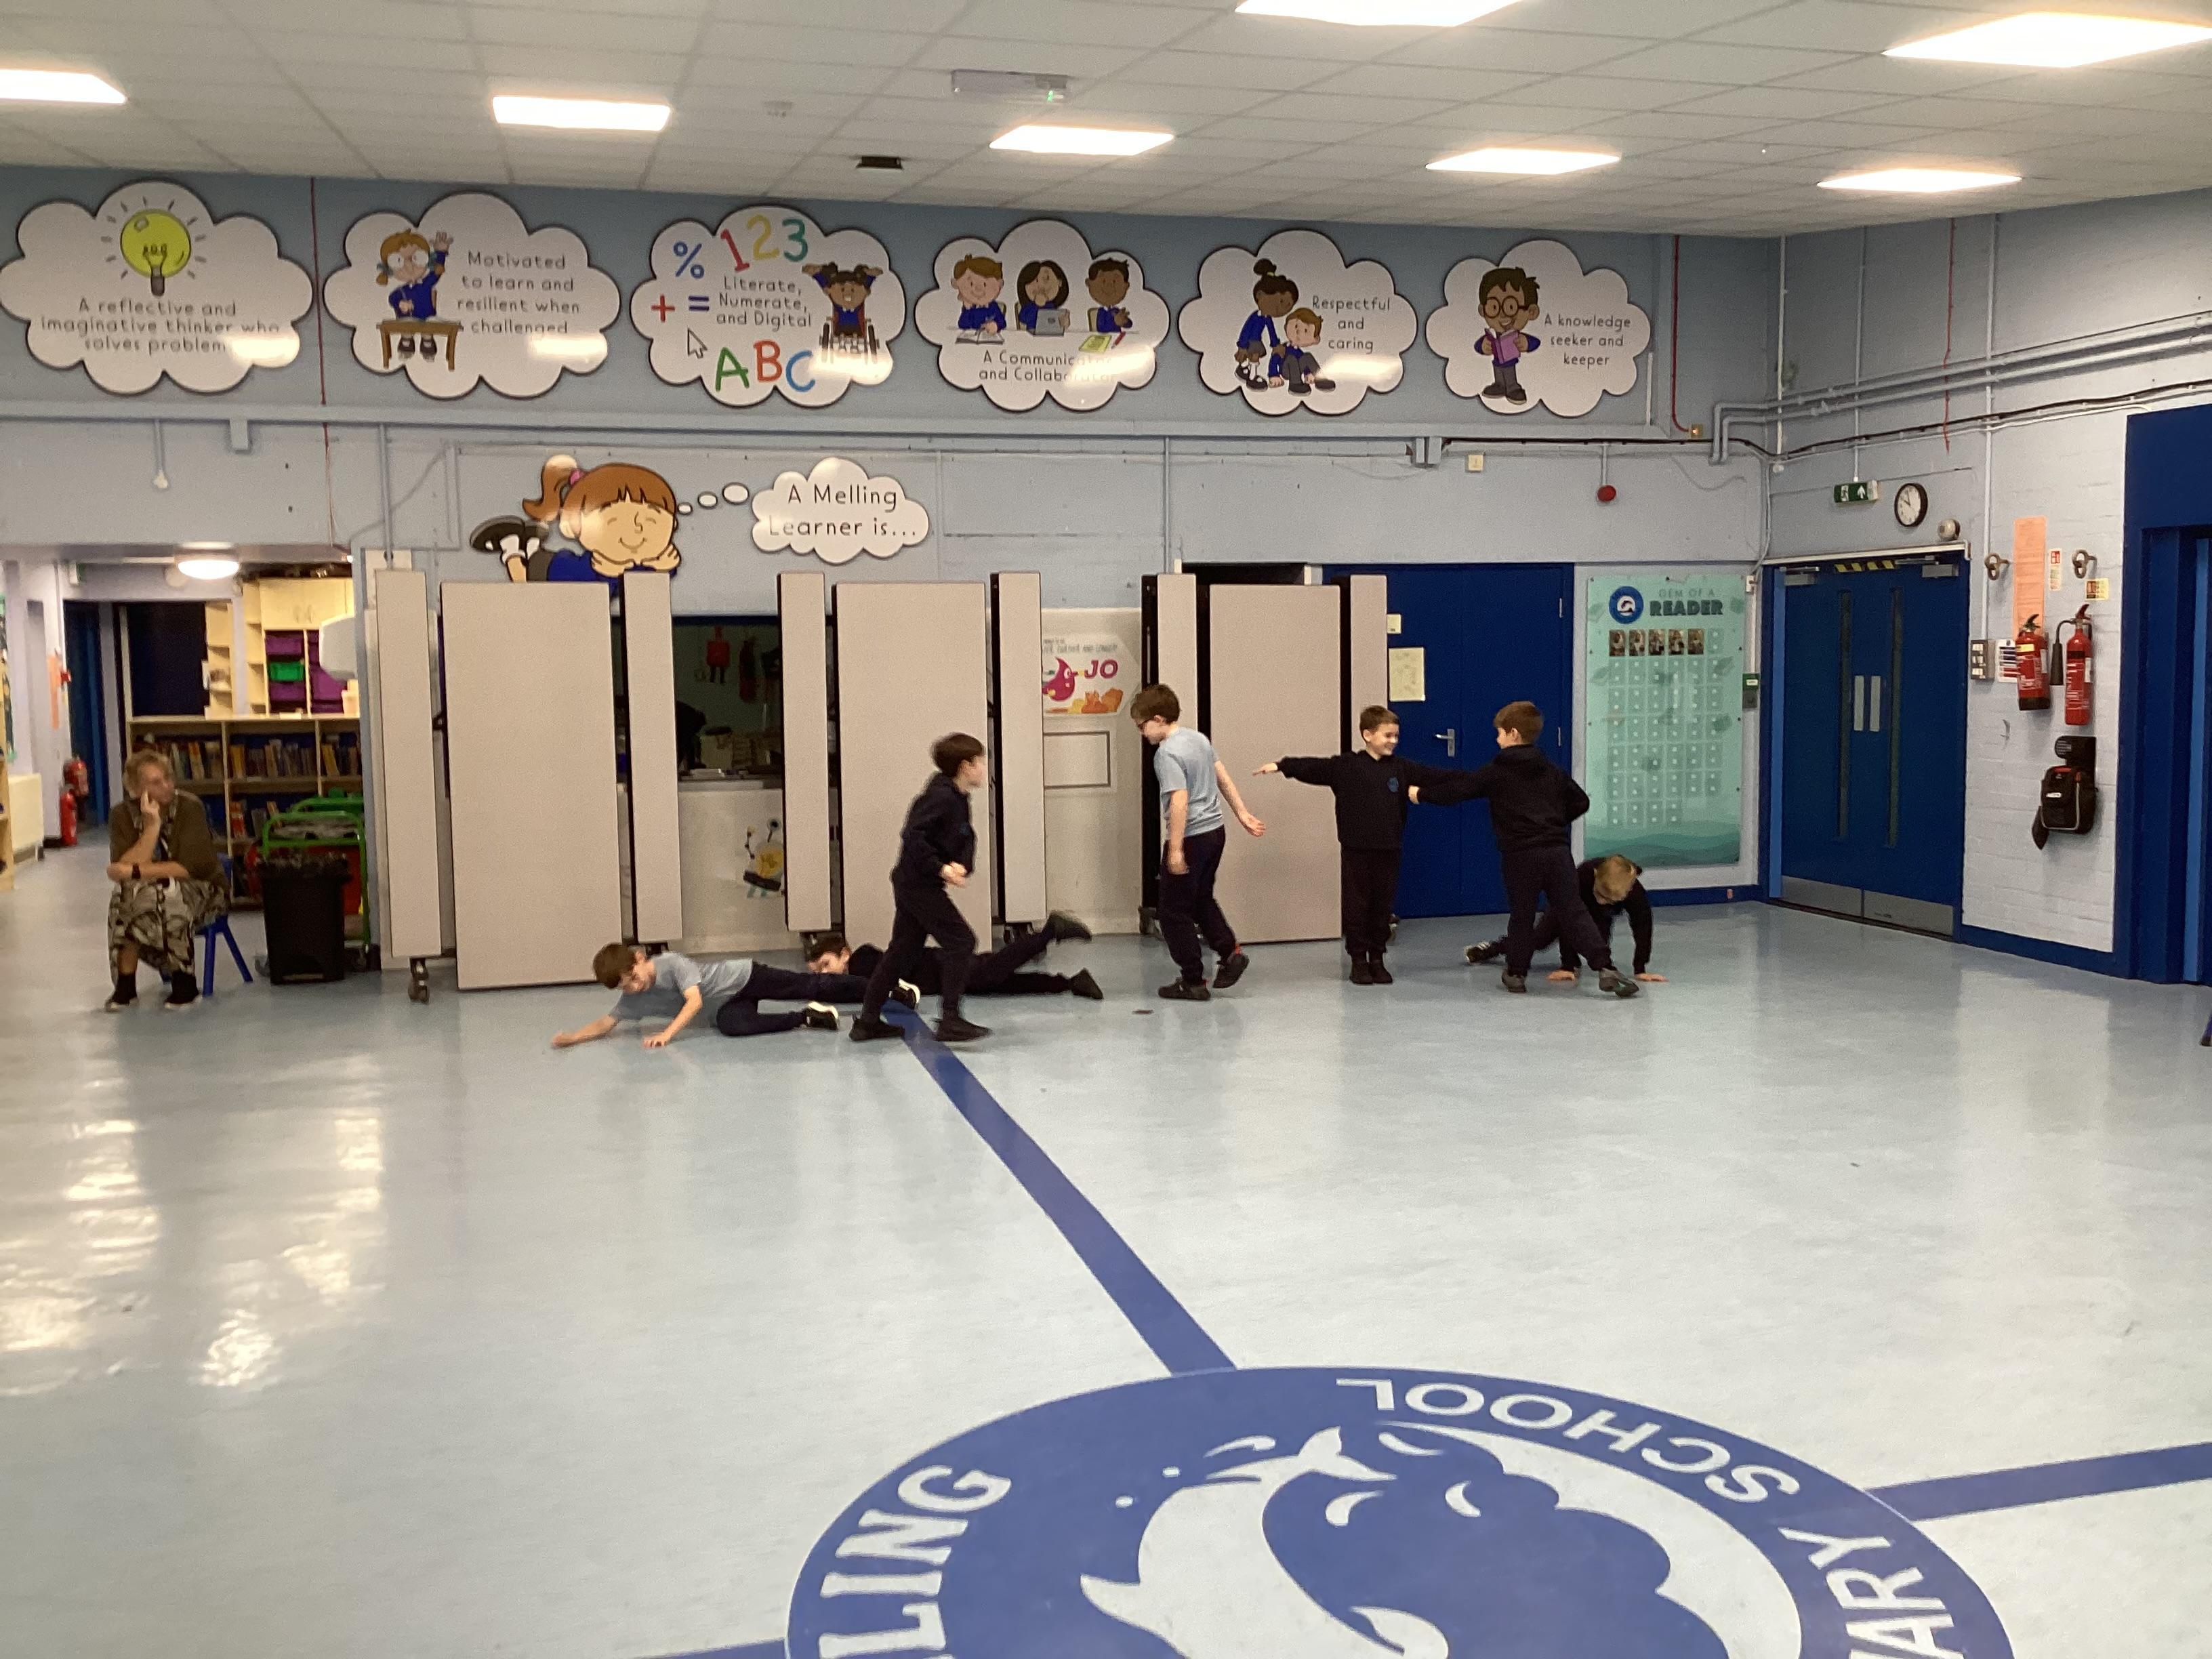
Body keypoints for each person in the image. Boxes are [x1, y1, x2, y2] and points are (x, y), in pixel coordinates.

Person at [1427, 701, 1638, 1000]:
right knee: (1573, 911)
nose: (1497, 739)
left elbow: (1459, 790)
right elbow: (1581, 801)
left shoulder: (1497, 772)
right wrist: (1554, 822)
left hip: (1520, 855)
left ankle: (1516, 974)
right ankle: (1606, 969)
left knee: (1522, 914)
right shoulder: (1551, 770)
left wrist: (1421, 794)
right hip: (1556, 852)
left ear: (1513, 734)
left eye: (1500, 733)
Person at [1254, 704, 1462, 985]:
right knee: (1357, 905)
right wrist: (1283, 765)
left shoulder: (1401, 768)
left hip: (1389, 848)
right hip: (1357, 850)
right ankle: (1358, 960)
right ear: (1367, 735)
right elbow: (1314, 767)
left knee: (1381, 905)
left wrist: (1475, 780)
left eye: (1396, 736)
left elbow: (1435, 776)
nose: (1393, 741)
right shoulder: (1347, 767)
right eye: (1387, 735)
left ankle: (1377, 957)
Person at [851, 733, 992, 1044]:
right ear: (965, 766)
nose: (984, 768)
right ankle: (950, 1019)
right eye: (980, 762)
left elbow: (965, 835)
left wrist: (961, 864)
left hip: (916, 882)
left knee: (902, 951)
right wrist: (940, 868)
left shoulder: (956, 797)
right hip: (917, 884)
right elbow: (913, 835)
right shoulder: (940, 797)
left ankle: (867, 1022)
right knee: (961, 941)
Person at [1130, 684, 1265, 1002]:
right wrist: (1242, 813)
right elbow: (1223, 777)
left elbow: (1179, 800)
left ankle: (1193, 980)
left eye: (1142, 726)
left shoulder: (1166, 754)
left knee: (1173, 912)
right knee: (1201, 898)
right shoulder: (1198, 739)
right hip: (1215, 833)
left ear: (1158, 719)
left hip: (1191, 837)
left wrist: (1176, 849)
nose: (1142, 733)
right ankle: (1230, 953)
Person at [550, 943, 914, 1049]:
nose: (634, 987)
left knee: (811, 984)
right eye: (625, 986)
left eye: (633, 977)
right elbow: (606, 1022)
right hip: (727, 1006)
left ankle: (887, 987)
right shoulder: (633, 1000)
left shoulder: (672, 964)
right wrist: (574, 1037)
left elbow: (694, 1001)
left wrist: (667, 1034)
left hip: (745, 977)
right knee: (733, 1026)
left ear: (641, 959)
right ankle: (807, 1017)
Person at [104, 749, 226, 1010]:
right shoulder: (121, 815)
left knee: (168, 892)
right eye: (155, 782)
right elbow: (122, 866)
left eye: (168, 778)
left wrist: (135, 872)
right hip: (151, 892)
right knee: (123, 896)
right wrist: (152, 829)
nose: (167, 786)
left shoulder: (190, 808)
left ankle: (185, 982)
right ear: (136, 789)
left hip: (204, 889)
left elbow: (187, 869)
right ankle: (125, 986)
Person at [1465, 854, 1666, 986]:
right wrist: (1568, 965)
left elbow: (1643, 927)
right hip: (1566, 908)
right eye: (1600, 895)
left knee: (1600, 942)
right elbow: (1567, 921)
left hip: (1600, 916)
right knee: (1538, 940)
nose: (1602, 901)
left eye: (1610, 900)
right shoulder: (1582, 876)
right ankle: (1493, 948)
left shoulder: (1635, 894)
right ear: (1595, 876)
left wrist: (1640, 968)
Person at [808, 911, 1103, 1002]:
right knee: (1002, 983)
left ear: (844, 954)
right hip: (944, 975)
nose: (824, 974)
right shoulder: (858, 968)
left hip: (943, 968)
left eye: (825, 965)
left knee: (995, 970)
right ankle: (1068, 983)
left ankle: (1049, 932)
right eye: (818, 972)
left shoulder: (861, 960)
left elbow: (865, 987)